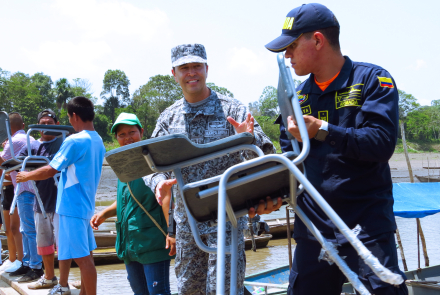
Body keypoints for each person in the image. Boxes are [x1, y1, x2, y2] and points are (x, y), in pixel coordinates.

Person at [265, 3, 408, 295]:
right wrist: (266, 195)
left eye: (291, 45)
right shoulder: (297, 99)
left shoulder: (371, 80)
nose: (286, 55)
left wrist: (324, 131)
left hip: (367, 226)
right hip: (315, 228)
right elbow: (290, 165)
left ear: (317, 40)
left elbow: (380, 144)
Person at [144, 43, 281, 295]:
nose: (191, 73)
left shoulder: (233, 110)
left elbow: (267, 157)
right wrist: (158, 182)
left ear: (207, 69)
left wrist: (248, 139)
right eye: (184, 68)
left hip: (227, 218)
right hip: (186, 225)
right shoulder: (168, 118)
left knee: (225, 289)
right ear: (174, 74)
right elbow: (150, 164)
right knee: (189, 291)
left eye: (197, 66)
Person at [16, 96, 106, 295]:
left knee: (83, 259)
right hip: (85, 205)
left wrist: (26, 175)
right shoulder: (98, 140)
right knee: (87, 255)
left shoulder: (75, 140)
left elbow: (51, 169)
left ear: (74, 116)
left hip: (71, 206)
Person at [90, 112, 175, 295]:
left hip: (152, 242)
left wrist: (172, 231)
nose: (127, 138)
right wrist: (104, 213)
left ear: (141, 132)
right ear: (116, 138)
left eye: (132, 132)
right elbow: (126, 200)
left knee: (158, 292)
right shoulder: (123, 165)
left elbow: (166, 194)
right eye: (122, 135)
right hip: (129, 245)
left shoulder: (153, 162)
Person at [19, 109, 62, 289]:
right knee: (44, 243)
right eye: (41, 124)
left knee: (64, 244)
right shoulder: (33, 146)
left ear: (57, 125)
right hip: (40, 202)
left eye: (49, 123)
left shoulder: (64, 143)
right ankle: (49, 277)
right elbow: (17, 161)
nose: (45, 127)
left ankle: (71, 279)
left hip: (61, 202)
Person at [0, 112, 43, 281]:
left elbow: (4, 165)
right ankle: (27, 262)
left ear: (8, 128)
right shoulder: (30, 139)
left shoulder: (13, 142)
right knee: (26, 229)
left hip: (25, 188)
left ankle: (34, 266)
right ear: (23, 126)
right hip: (32, 188)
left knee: (28, 229)